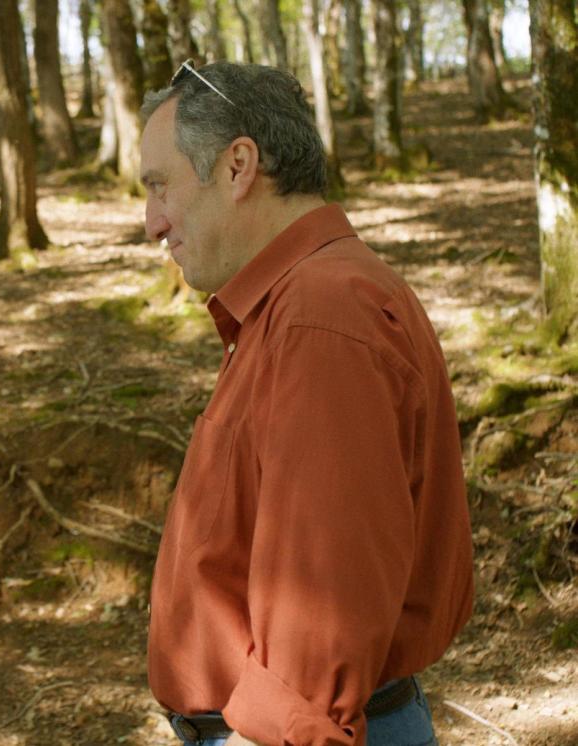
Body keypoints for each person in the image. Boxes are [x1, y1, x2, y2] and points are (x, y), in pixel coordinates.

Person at [139, 62, 474, 746]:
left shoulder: (321, 315)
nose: (151, 223)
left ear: (238, 166)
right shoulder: (297, 303)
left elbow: (322, 601)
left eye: (159, 186)